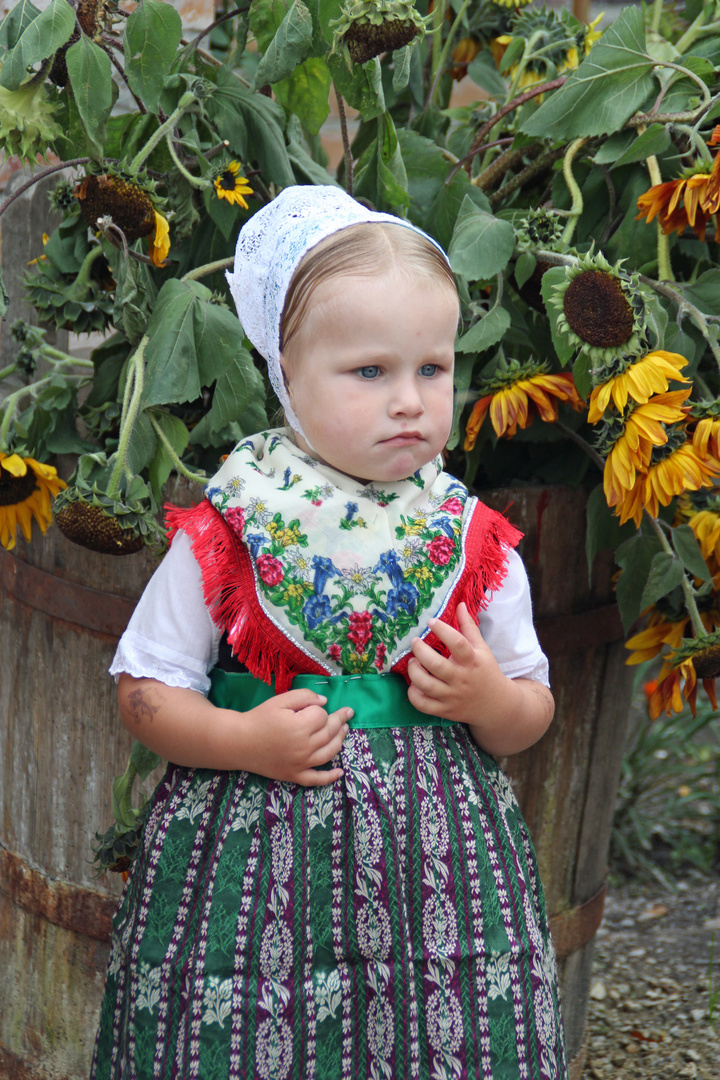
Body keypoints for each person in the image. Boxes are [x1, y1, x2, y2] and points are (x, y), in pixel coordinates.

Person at [91, 185, 567, 1080]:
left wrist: (489, 700)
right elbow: (144, 692)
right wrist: (238, 738)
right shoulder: (235, 528)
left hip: (440, 885)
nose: (409, 402)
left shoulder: (467, 540)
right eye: (369, 373)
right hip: (251, 867)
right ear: (286, 374)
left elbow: (529, 712)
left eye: (431, 368)